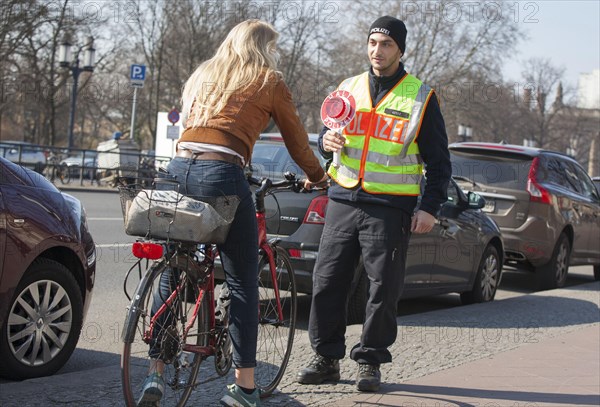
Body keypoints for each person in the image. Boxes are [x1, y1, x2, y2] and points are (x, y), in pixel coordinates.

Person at [136, 19, 327, 407]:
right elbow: (295, 139)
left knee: (173, 268)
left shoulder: (202, 74)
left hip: (177, 171)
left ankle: (154, 373)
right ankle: (245, 387)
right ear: (263, 47)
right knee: (241, 282)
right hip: (222, 174)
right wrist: (318, 176)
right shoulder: (267, 80)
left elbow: (191, 126)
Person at [296, 16, 452, 392]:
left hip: (389, 205)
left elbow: (439, 161)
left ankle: (370, 360)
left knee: (382, 288)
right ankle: (326, 358)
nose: (376, 50)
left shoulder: (421, 96)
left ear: (400, 49)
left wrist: (430, 207)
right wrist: (325, 143)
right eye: (372, 42)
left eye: (385, 44)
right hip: (343, 197)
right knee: (327, 281)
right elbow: (331, 131)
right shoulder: (348, 88)